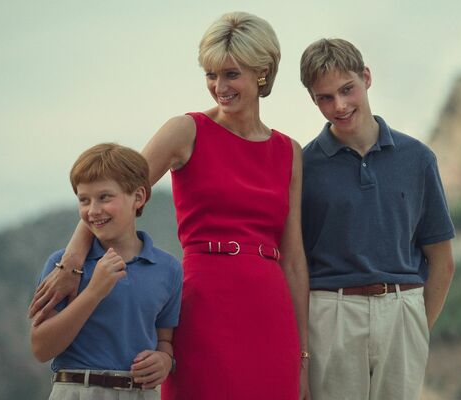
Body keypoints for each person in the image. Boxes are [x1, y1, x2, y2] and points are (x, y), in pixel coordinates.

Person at [29, 12, 310, 399]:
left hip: (270, 310)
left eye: (231, 74)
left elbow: (294, 260)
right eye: (211, 75)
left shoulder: (289, 152)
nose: (218, 86)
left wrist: (303, 354)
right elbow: (116, 193)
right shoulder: (186, 130)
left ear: (262, 72)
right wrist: (72, 261)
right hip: (205, 303)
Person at [299, 38, 456, 400]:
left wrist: (415, 325)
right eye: (325, 97)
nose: (339, 105)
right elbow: (296, 261)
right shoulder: (302, 166)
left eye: (347, 89)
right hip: (330, 314)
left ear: (366, 77)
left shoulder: (418, 158)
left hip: (402, 310)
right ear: (313, 99)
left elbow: (442, 261)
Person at [31, 143, 183, 399]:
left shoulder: (168, 269)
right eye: (84, 200)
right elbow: (41, 348)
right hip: (77, 391)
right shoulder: (63, 268)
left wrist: (164, 360)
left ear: (138, 197)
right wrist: (93, 293)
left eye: (104, 197)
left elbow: (165, 340)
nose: (93, 210)